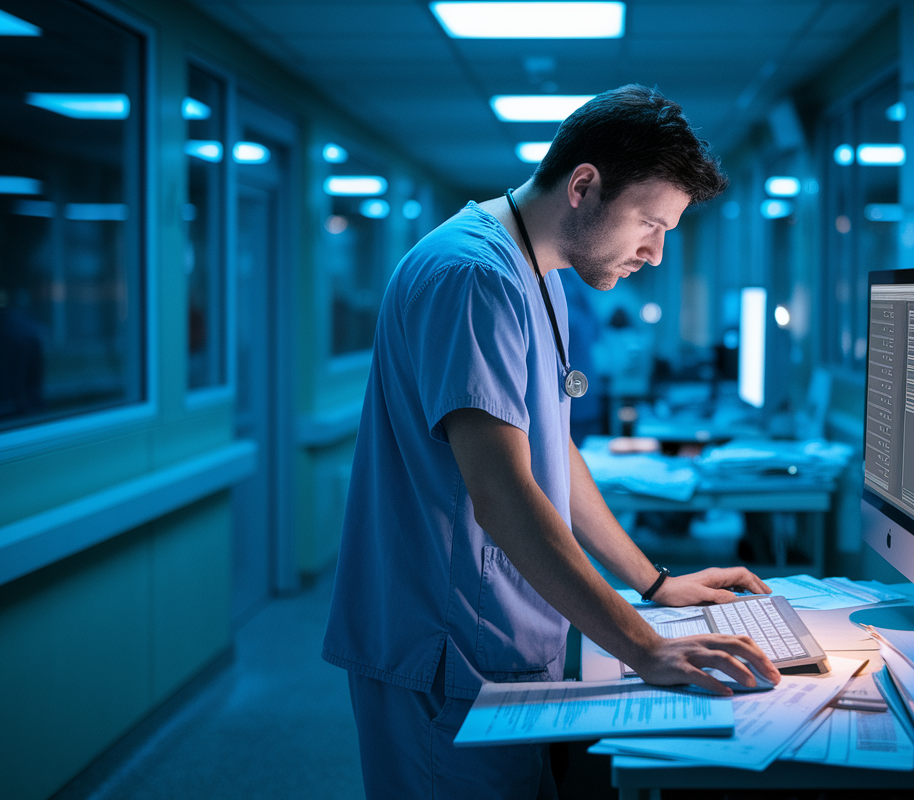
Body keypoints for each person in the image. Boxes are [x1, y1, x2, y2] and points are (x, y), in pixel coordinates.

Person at [322, 85, 780, 799]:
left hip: (495, 635)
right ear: (585, 185)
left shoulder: (541, 275)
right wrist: (644, 644)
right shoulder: (473, 276)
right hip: (442, 644)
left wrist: (654, 584)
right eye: (649, 224)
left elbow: (552, 452)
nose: (655, 254)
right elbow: (505, 496)